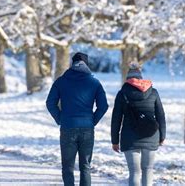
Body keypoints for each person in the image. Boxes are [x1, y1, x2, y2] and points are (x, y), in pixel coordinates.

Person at [46, 52, 108, 186]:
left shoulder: (61, 81)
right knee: (85, 166)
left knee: (67, 166)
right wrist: (92, 121)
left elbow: (50, 103)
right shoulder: (94, 82)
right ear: (87, 64)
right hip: (87, 128)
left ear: (72, 64)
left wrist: (60, 118)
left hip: (68, 127)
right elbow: (103, 106)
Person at [111, 62, 166, 186]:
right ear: (141, 78)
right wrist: (162, 136)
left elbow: (116, 119)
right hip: (151, 135)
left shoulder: (122, 93)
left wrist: (115, 140)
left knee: (134, 172)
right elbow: (161, 116)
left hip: (129, 138)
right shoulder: (153, 92)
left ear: (128, 79)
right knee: (148, 170)